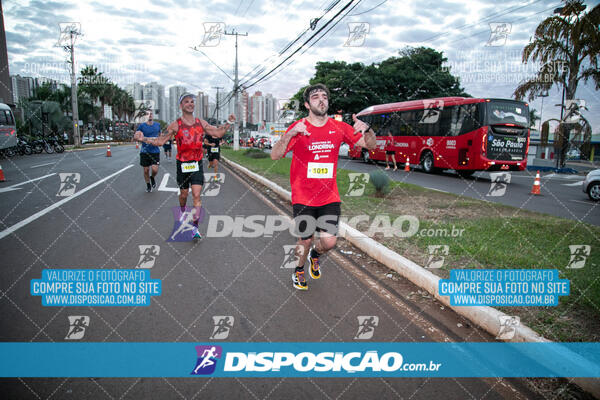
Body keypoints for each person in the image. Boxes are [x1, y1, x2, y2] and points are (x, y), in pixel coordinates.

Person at [270, 83, 376, 290]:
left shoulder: (339, 127)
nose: (321, 100)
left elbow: (370, 145)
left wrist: (368, 129)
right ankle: (299, 270)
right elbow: (275, 155)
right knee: (305, 239)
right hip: (303, 195)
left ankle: (315, 255)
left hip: (329, 196)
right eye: (316, 96)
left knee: (329, 243)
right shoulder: (299, 128)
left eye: (324, 96)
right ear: (307, 104)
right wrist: (290, 134)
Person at [134, 93, 235, 240]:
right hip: (182, 164)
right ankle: (182, 212)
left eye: (192, 101)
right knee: (183, 195)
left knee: (196, 195)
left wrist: (229, 123)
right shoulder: (175, 125)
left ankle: (195, 228)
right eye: (186, 101)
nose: (190, 104)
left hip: (196, 163)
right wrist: (144, 139)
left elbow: (217, 132)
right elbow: (161, 141)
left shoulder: (201, 123)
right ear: (181, 106)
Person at [135, 111, 161, 192]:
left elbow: (160, 135)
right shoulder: (142, 126)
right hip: (145, 151)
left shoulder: (157, 125)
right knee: (146, 170)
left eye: (151, 114)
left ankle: (152, 177)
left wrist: (159, 141)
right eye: (147, 114)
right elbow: (136, 136)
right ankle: (148, 185)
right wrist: (144, 139)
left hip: (155, 151)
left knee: (155, 170)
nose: (150, 115)